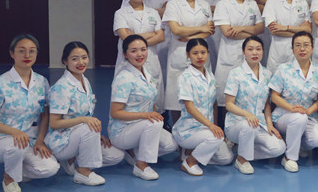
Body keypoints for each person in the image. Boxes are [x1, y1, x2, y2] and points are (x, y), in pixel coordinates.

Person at [0, 34, 59, 192]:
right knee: (16, 146)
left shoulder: (42, 82)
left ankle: (16, 168)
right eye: (21, 51)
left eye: (32, 51)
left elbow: (44, 115)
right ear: (12, 53)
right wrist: (14, 132)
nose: (27, 55)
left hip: (27, 140)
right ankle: (9, 178)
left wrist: (40, 140)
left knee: (51, 168)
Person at [46, 42, 124, 186]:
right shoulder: (61, 87)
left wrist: (95, 136)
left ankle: (71, 160)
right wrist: (85, 121)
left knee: (116, 156)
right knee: (89, 127)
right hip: (62, 140)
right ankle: (83, 172)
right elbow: (54, 123)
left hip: (80, 134)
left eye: (84, 57)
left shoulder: (84, 81)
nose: (81, 62)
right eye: (74, 59)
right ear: (65, 61)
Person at [109, 35, 178, 180]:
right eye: (134, 51)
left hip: (142, 126)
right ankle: (141, 165)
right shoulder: (123, 78)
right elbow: (115, 113)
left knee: (171, 145)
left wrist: (151, 114)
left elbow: (151, 100)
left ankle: (134, 152)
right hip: (123, 130)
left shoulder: (146, 72)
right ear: (125, 54)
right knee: (154, 123)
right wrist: (146, 115)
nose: (140, 54)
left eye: (143, 49)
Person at [224, 36, 286, 174]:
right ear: (243, 52)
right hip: (237, 124)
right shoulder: (235, 74)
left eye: (258, 49)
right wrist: (247, 114)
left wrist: (269, 124)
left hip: (259, 123)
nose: (255, 53)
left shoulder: (267, 74)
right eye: (250, 49)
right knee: (249, 125)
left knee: (279, 148)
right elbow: (229, 104)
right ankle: (242, 160)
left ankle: (241, 151)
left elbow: (267, 104)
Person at [172, 38, 233, 176]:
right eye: (195, 53)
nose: (199, 56)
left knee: (226, 158)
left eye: (203, 52)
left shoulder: (210, 75)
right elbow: (189, 107)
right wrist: (211, 127)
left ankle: (192, 152)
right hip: (188, 130)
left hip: (206, 129)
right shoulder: (185, 77)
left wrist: (215, 126)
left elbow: (213, 104)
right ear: (188, 54)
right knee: (216, 138)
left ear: (208, 53)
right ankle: (190, 162)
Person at [269, 32, 318, 172]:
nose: (302, 49)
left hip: (308, 115)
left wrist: (309, 111)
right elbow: (274, 96)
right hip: (284, 115)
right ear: (293, 49)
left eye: (306, 45)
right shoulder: (283, 69)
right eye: (298, 45)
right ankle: (290, 158)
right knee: (299, 118)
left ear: (312, 48)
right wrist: (291, 108)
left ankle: (292, 144)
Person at [163, 0, 215, 122]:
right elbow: (176, 30)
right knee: (176, 98)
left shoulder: (204, 5)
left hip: (200, 53)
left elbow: (209, 30)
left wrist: (190, 37)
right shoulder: (173, 4)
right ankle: (177, 130)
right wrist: (201, 29)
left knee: (202, 96)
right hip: (179, 54)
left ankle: (202, 126)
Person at [213, 0, 264, 115]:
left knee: (248, 94)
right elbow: (228, 33)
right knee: (227, 96)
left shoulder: (252, 4)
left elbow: (260, 28)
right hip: (230, 55)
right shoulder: (223, 4)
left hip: (249, 55)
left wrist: (240, 28)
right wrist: (251, 30)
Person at [114, 0, 165, 110]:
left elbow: (161, 37)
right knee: (129, 100)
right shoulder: (120, 13)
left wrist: (134, 37)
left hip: (151, 60)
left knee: (154, 101)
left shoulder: (153, 13)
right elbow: (126, 39)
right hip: (128, 62)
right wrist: (150, 34)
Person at [121, 0, 175, 75]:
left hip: (160, 39)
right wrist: (159, 11)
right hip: (142, 35)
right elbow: (127, 11)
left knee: (160, 72)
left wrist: (148, 11)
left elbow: (169, 13)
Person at [263, 0, 312, 74]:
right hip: (279, 54)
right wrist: (299, 30)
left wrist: (285, 27)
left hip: (299, 53)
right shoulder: (271, 2)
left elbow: (308, 30)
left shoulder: (302, 3)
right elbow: (274, 31)